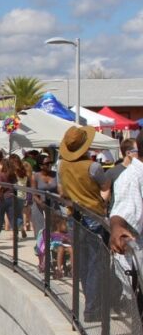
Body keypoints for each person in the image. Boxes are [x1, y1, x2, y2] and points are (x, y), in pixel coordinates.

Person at [57, 125, 110, 322]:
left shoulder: (61, 166)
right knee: (96, 262)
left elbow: (62, 192)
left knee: (82, 261)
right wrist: (101, 202)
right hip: (93, 216)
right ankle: (92, 309)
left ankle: (89, 302)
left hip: (73, 216)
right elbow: (105, 187)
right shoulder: (93, 167)